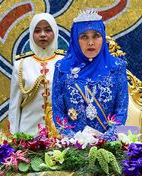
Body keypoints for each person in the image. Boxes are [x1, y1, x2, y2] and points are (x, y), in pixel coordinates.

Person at [52, 10, 128, 139]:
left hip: (109, 147)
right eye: (84, 37)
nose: (91, 42)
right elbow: (59, 114)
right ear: (75, 40)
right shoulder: (62, 69)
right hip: (73, 149)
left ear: (103, 37)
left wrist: (105, 141)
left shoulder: (117, 67)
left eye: (96, 36)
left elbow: (121, 110)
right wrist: (77, 141)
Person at [8, 13, 64, 136]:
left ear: (55, 32)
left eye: (48, 30)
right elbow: (14, 105)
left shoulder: (64, 62)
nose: (42, 34)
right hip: (28, 134)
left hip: (60, 134)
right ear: (31, 34)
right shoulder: (21, 64)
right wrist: (14, 136)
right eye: (37, 31)